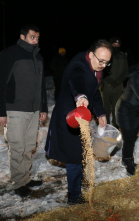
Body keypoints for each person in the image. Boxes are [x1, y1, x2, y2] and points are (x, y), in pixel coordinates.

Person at [45, 39, 111, 205]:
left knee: (82, 150)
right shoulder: (78, 64)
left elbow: (95, 93)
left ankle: (78, 181)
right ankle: (74, 197)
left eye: (107, 63)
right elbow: (77, 80)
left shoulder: (97, 68)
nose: (103, 65)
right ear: (91, 54)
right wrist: (80, 96)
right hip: (69, 116)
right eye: (101, 61)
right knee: (75, 156)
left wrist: (100, 113)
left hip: (82, 114)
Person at [0, 24, 48, 197]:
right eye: (33, 37)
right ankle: (18, 182)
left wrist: (43, 108)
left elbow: (41, 86)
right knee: (17, 147)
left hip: (33, 110)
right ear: (22, 37)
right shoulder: (9, 54)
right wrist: (0, 112)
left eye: (38, 38)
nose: (36, 40)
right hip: (14, 109)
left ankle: (26, 178)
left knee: (29, 146)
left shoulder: (38, 58)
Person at [100, 37, 128, 129]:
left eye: (118, 45)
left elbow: (126, 71)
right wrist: (107, 80)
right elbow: (101, 68)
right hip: (106, 85)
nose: (116, 46)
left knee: (116, 107)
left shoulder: (123, 56)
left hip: (118, 86)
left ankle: (115, 126)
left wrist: (117, 82)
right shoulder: (107, 55)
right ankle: (106, 125)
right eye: (113, 45)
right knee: (105, 107)